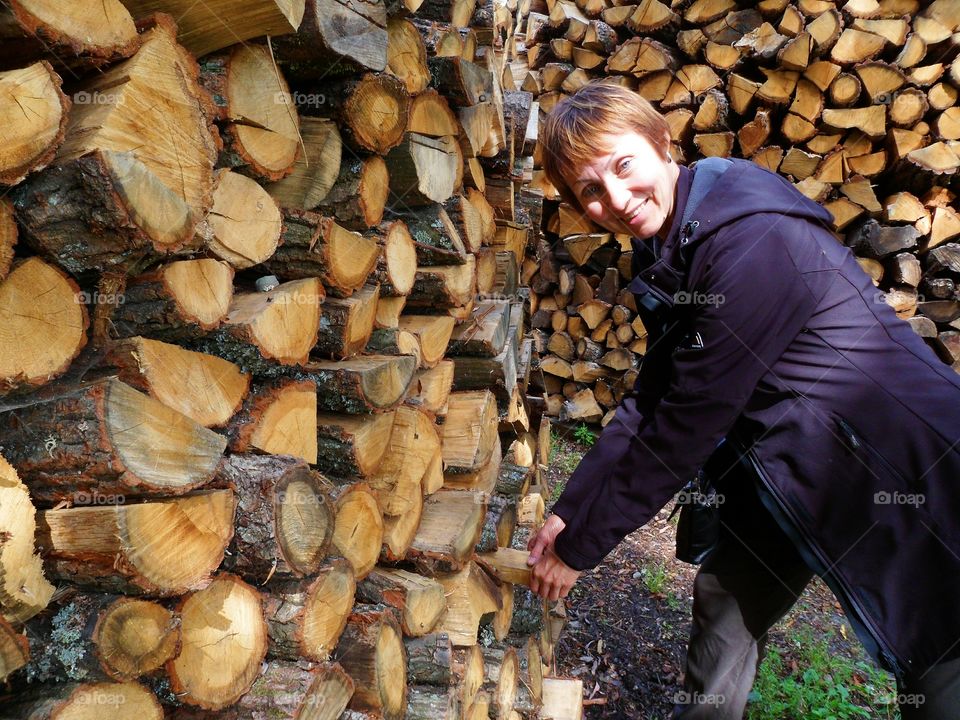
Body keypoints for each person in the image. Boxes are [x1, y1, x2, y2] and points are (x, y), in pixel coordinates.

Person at [525, 81, 960, 719]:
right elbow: (654, 393)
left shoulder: (748, 241)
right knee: (728, 597)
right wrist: (571, 510)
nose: (615, 199)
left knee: (938, 667)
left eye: (622, 167)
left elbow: (686, 423)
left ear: (660, 142)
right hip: (793, 461)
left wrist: (581, 548)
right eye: (590, 191)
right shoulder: (671, 235)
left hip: (904, 465)